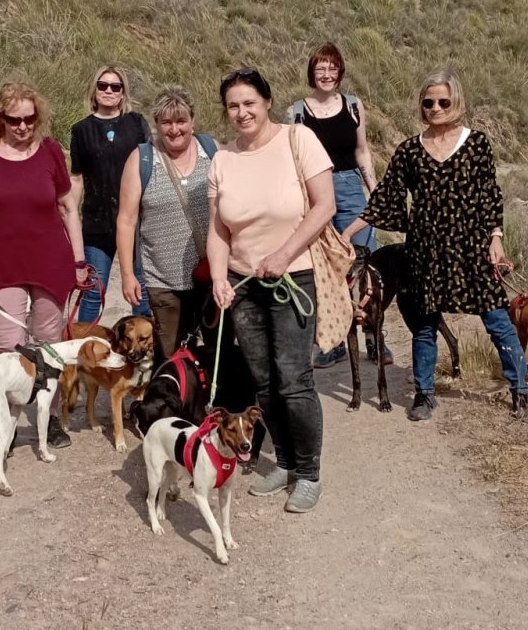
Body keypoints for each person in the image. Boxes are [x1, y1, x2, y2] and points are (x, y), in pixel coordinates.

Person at [343, 68, 528, 421]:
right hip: (426, 252)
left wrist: (496, 238)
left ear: (456, 102)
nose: (435, 108)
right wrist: (347, 232)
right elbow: (385, 198)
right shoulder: (410, 151)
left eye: (443, 101)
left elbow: (490, 196)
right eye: (428, 102)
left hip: (472, 249)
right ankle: (424, 394)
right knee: (424, 325)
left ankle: (521, 391)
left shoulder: (476, 144)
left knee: (496, 320)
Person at [208, 68, 336, 513]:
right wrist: (221, 278)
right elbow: (218, 230)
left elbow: (325, 206)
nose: (241, 112)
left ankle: (308, 471)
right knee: (263, 383)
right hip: (244, 287)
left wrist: (284, 254)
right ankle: (282, 461)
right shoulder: (222, 159)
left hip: (292, 277)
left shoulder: (297, 140)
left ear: (265, 102)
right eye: (232, 106)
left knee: (294, 380)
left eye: (249, 103)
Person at [0, 81, 85, 449]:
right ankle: (7, 422)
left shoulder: (49, 151)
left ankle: (52, 419)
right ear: (0, 118)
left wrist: (79, 260)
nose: (23, 126)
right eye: (14, 119)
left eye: (30, 118)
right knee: (9, 347)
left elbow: (67, 207)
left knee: (49, 345)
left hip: (50, 262)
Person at [284, 42, 387, 368]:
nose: (326, 74)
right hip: (315, 191)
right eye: (320, 68)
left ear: (339, 72)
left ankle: (374, 338)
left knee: (365, 267)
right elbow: (295, 160)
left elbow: (361, 151)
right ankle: (334, 341)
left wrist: (372, 189)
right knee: (326, 270)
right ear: (312, 73)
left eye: (332, 68)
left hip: (350, 188)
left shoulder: (354, 106)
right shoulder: (296, 112)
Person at [116, 85, 222, 358]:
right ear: (157, 124)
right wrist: (128, 275)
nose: (174, 129)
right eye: (166, 122)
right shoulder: (142, 159)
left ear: (193, 121)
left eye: (181, 121)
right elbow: (126, 221)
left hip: (212, 274)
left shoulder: (212, 152)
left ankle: (216, 401)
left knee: (217, 352)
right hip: (163, 279)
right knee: (172, 356)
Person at [69, 65, 152, 323]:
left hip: (137, 222)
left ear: (123, 92)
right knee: (93, 293)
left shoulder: (136, 123)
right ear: (94, 90)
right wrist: (68, 218)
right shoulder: (81, 130)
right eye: (102, 85)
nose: (108, 90)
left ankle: (147, 355)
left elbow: (150, 166)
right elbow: (77, 178)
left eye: (115, 86)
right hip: (97, 223)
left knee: (142, 291)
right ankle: (85, 350)